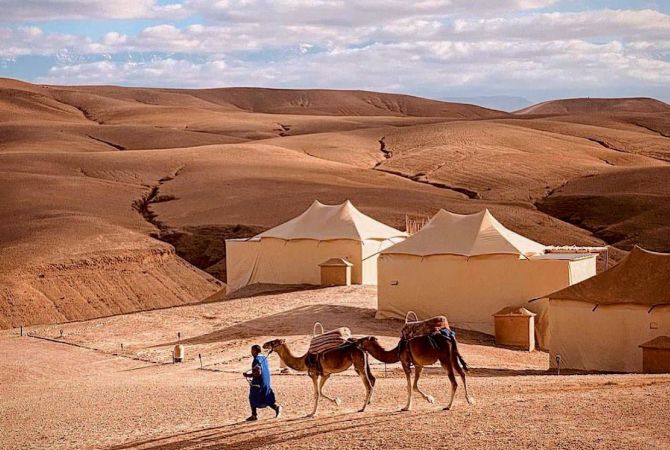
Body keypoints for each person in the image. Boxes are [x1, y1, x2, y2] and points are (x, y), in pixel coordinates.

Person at [244, 344, 282, 421]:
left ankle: (254, 415)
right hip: (266, 381)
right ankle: (276, 407)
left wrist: (247, 375)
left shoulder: (256, 360)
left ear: (255, 351)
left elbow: (258, 373)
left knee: (252, 397)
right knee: (266, 397)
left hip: (258, 383)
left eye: (252, 350)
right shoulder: (264, 358)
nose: (251, 352)